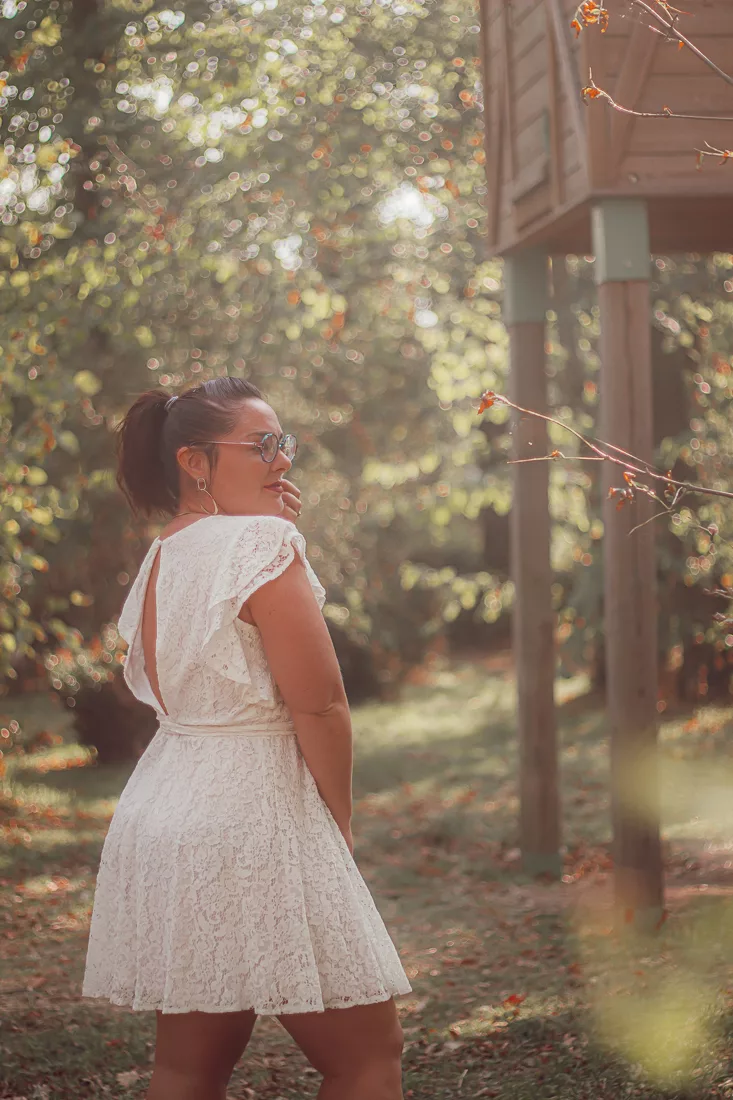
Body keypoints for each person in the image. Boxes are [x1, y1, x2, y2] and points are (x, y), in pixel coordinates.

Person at [82, 377, 411, 1100]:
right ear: (195, 461)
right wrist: (337, 826)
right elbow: (320, 706)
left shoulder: (164, 554)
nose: (282, 459)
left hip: (165, 816)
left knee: (188, 1067)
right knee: (367, 1057)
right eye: (261, 445)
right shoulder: (262, 541)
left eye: (282, 443)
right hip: (254, 818)